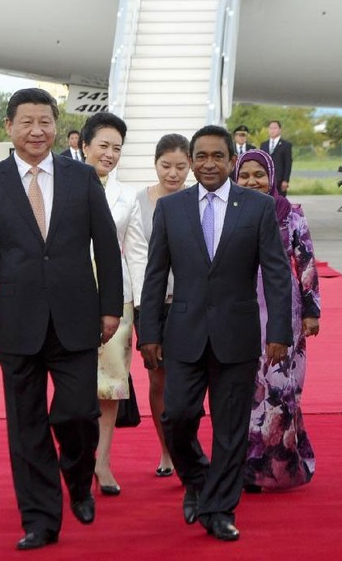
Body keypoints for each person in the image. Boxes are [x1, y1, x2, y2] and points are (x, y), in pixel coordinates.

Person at [0, 88, 122, 550]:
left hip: (77, 317)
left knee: (77, 412)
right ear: (9, 127)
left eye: (45, 121)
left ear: (57, 126)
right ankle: (39, 518)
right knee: (26, 426)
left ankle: (77, 478)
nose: (37, 131)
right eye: (27, 122)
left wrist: (110, 306)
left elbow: (106, 246)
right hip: (16, 323)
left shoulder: (81, 177)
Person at [139, 125, 292, 542]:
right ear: (191, 160)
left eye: (218, 156)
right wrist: (148, 332)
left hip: (237, 335)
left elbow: (277, 274)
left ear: (231, 160)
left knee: (230, 429)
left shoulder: (257, 207)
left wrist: (278, 330)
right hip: (183, 333)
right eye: (201, 156)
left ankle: (220, 507)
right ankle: (197, 478)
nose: (209, 164)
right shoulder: (171, 209)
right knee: (177, 416)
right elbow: (155, 275)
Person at [234, 149, 320, 492]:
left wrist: (312, 312)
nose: (252, 181)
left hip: (283, 311)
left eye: (259, 174)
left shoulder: (291, 215)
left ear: (271, 176)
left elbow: (307, 263)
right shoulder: (231, 212)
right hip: (241, 310)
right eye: (245, 175)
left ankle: (280, 469)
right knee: (247, 390)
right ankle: (244, 469)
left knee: (280, 389)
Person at [80, 112, 147, 496]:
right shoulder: (63, 185)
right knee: (75, 383)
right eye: (103, 146)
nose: (109, 154)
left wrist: (139, 305)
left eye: (116, 148)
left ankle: (102, 461)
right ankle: (77, 455)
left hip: (114, 296)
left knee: (110, 385)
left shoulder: (127, 195)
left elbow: (136, 252)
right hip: (70, 295)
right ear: (84, 145)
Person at [132, 133, 190, 478]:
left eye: (181, 167)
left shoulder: (200, 201)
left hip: (190, 305)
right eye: (166, 166)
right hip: (152, 304)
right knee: (159, 381)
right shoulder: (138, 201)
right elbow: (137, 257)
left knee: (188, 381)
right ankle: (166, 449)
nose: (173, 173)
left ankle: (187, 445)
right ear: (155, 164)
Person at [260, 120, 292, 196]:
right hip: (266, 180)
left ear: (280, 130)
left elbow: (288, 164)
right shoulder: (264, 145)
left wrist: (285, 180)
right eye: (271, 128)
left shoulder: (286, 145)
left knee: (279, 204)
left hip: (279, 181)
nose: (272, 130)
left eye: (275, 128)